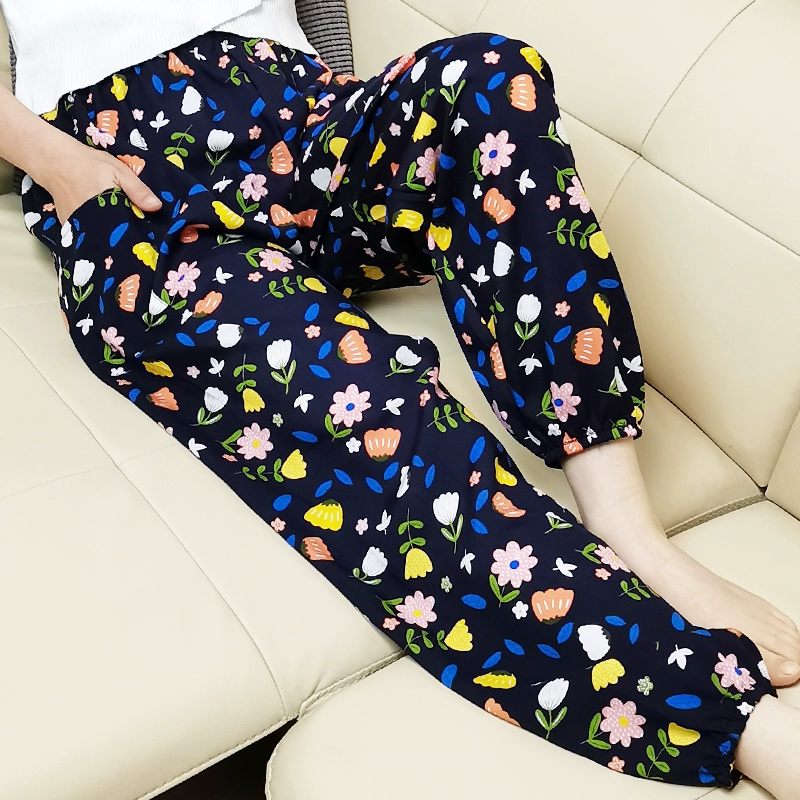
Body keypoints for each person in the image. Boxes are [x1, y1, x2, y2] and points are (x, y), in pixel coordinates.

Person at [1, 1, 799, 794]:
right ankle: (724, 716)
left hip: (300, 112)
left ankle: (629, 528)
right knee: (375, 411)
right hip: (122, 172)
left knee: (488, 75)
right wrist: (64, 168)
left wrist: (346, 110)